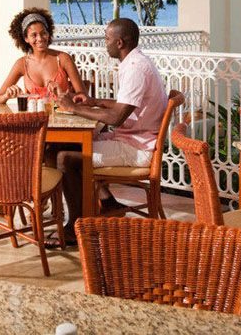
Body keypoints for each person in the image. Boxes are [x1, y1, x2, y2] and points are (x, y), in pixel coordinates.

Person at [54, 18, 168, 243]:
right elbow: (122, 105)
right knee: (64, 146)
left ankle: (75, 227)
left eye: (107, 39)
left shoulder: (136, 69)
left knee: (65, 158)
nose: (104, 43)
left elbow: (116, 117)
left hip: (137, 147)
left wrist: (74, 108)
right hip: (134, 138)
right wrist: (92, 101)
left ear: (120, 42)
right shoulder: (135, 62)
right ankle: (107, 203)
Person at [0, 8, 86, 103]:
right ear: (26, 38)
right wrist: (6, 96)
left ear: (48, 34)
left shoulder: (63, 58)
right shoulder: (21, 64)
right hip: (34, 117)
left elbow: (84, 97)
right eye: (34, 35)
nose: (40, 38)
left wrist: (62, 93)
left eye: (43, 33)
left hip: (63, 116)